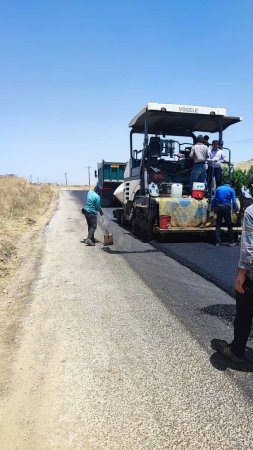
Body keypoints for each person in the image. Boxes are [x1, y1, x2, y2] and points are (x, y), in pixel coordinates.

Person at [216, 200, 253, 363]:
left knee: (244, 313)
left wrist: (241, 274)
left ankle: (236, 351)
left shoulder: (252, 211)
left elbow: (248, 248)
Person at [211, 181, 239, 246]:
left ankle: (218, 242)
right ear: (231, 184)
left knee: (218, 225)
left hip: (219, 207)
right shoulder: (231, 190)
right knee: (229, 224)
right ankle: (230, 242)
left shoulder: (218, 188)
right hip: (226, 208)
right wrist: (236, 209)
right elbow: (234, 202)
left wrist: (212, 207)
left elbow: (214, 199)